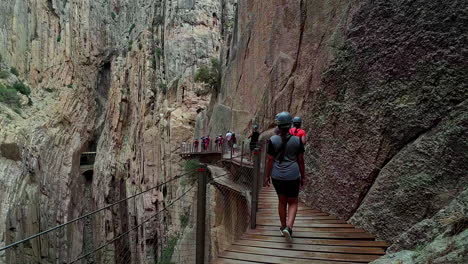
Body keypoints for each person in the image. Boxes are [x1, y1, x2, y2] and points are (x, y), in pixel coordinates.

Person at [264, 111, 306, 242]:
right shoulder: (297, 141)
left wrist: (267, 176)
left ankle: (283, 227)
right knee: (293, 202)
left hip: (277, 176)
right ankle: (289, 227)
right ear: (290, 125)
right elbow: (300, 160)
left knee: (282, 201)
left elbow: (270, 160)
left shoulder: (272, 140)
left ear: (278, 125)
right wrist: (303, 176)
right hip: (293, 175)